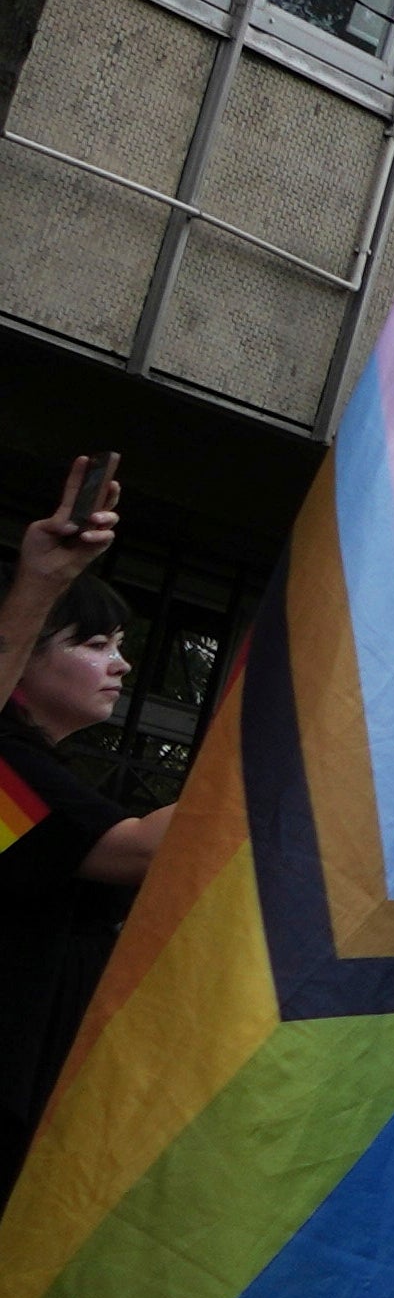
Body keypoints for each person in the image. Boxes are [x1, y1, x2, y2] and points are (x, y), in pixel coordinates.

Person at [0, 451, 169, 1191]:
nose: (121, 665)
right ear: (25, 661)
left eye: (120, 646)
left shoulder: (36, 768)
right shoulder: (9, 770)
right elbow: (140, 851)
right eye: (96, 644)